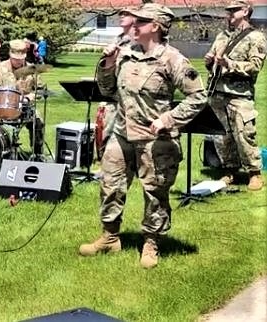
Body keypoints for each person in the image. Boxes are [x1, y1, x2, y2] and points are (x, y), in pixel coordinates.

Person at [80, 3, 207, 268]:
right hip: (121, 133)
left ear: (157, 27)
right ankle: (110, 236)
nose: (133, 25)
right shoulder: (125, 54)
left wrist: (167, 119)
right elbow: (106, 90)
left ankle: (151, 242)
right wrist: (108, 63)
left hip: (154, 140)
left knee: (154, 192)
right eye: (134, 21)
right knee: (110, 185)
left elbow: (198, 96)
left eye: (141, 22)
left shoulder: (173, 59)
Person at [204, 0, 266, 191]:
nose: (229, 14)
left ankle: (254, 173)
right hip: (217, 92)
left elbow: (255, 65)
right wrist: (209, 62)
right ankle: (229, 170)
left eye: (233, 10)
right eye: (228, 11)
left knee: (244, 133)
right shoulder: (223, 36)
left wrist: (229, 64)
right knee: (222, 136)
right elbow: (213, 58)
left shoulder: (256, 37)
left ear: (246, 11)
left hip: (239, 94)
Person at [0, 39, 45, 156]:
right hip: (4, 105)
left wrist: (30, 97)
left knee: (39, 122)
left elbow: (41, 90)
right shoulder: (1, 68)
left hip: (26, 107)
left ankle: (37, 154)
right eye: (15, 59)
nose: (18, 62)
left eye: (21, 59)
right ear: (10, 55)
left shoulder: (32, 69)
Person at [95, 8, 136, 161]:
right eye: (121, 13)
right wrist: (108, 62)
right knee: (108, 138)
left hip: (134, 103)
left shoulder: (141, 43)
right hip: (115, 99)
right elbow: (106, 84)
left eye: (126, 13)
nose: (121, 16)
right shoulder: (117, 40)